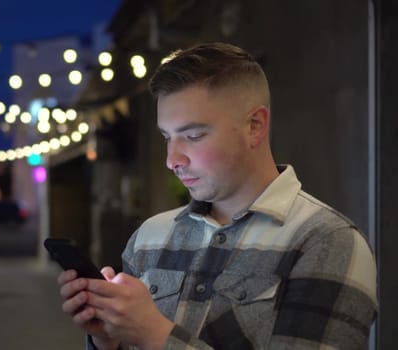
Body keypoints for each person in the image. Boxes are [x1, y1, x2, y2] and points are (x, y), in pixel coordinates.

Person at [57, 42, 378, 349]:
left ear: (255, 125)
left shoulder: (326, 241)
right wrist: (108, 338)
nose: (172, 160)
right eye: (167, 138)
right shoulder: (150, 237)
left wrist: (154, 334)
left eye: (193, 136)